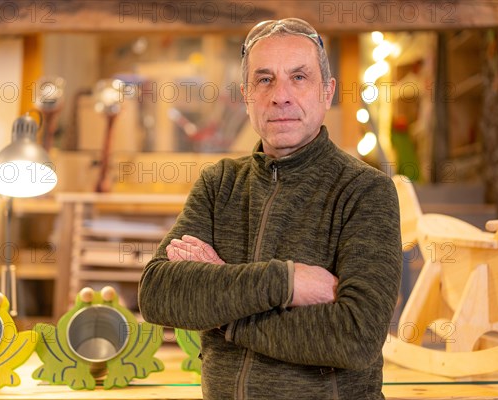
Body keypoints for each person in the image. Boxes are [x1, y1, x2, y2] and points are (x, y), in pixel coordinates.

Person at [139, 18, 402, 400]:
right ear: (246, 95)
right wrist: (289, 282)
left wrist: (222, 310)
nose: (281, 95)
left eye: (298, 77)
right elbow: (158, 293)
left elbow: (354, 337)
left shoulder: (365, 191)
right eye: (264, 80)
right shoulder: (219, 184)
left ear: (326, 92)